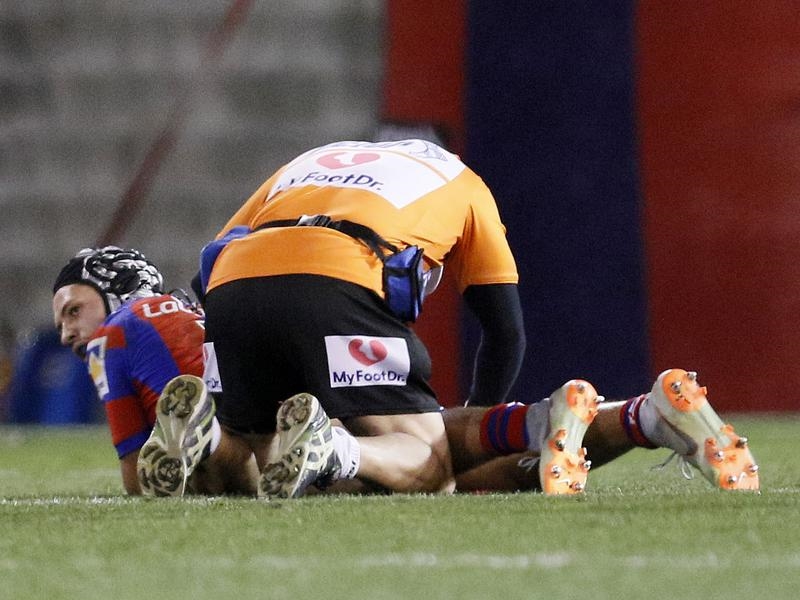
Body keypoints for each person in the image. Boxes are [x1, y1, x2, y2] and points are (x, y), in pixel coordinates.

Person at [51, 246, 257, 496]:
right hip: (255, 416)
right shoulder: (191, 309)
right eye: (61, 326)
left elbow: (136, 472)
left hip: (227, 437)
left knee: (204, 478)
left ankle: (208, 437)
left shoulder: (112, 334)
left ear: (116, 287)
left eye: (74, 311)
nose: (65, 335)